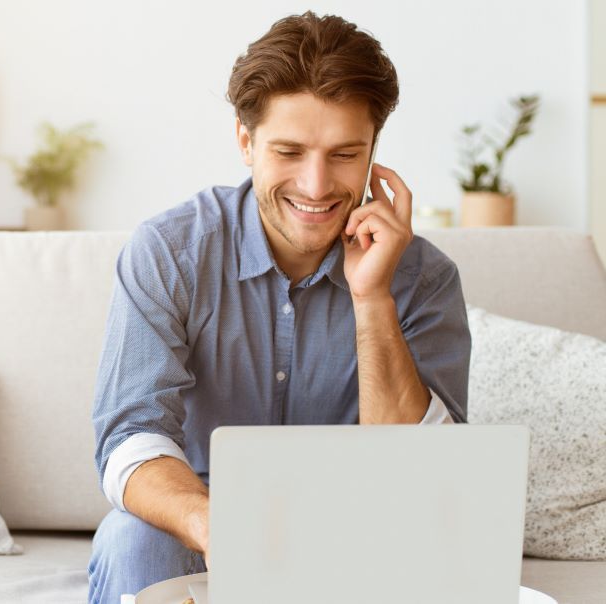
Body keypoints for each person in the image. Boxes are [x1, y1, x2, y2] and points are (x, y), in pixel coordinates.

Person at [87, 11, 471, 604]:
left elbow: (419, 481)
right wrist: (211, 524)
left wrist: (372, 298)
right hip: (201, 522)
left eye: (345, 154)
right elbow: (131, 436)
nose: (316, 187)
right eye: (289, 151)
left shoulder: (424, 278)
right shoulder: (170, 252)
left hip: (359, 538)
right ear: (245, 141)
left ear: (374, 152)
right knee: (131, 541)